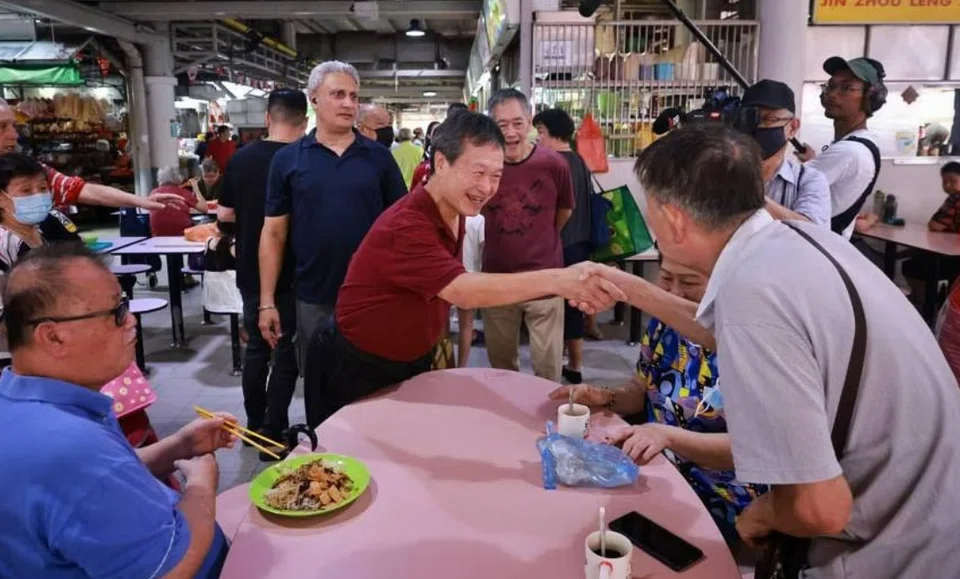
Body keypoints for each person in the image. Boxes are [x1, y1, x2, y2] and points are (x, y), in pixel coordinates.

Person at [585, 124, 960, 579]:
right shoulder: (801, 242)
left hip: (898, 552)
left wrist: (761, 514)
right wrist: (626, 287)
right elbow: (722, 330)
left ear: (674, 218)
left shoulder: (754, 292)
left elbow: (819, 508)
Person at [304, 111, 623, 426]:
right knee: (348, 454)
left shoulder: (455, 210)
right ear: (441, 163)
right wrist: (561, 280)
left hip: (408, 357)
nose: (487, 187)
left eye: (496, 175)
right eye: (478, 172)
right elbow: (462, 291)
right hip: (357, 363)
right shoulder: (407, 225)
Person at [0, 242, 236, 578]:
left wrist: (179, 447)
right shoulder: (71, 445)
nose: (132, 321)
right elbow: (171, 570)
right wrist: (201, 483)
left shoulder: (25, 401)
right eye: (117, 312)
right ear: (53, 337)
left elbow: (102, 482)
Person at [548, 255, 768, 542]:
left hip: (721, 490)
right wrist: (604, 396)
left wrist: (668, 437)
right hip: (657, 467)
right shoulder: (663, 326)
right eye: (665, 278)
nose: (673, 292)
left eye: (689, 282)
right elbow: (641, 391)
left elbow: (754, 449)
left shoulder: (748, 346)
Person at [259, 60, 407, 378]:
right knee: (320, 384)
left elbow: (402, 225)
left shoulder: (379, 158)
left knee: (373, 383)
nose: (349, 104)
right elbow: (273, 233)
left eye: (354, 96)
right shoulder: (288, 160)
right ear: (314, 98)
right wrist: (266, 301)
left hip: (372, 293)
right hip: (313, 295)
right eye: (338, 94)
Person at [218, 88, 306, 451]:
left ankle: (254, 427)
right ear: (305, 121)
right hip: (295, 271)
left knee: (255, 346)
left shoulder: (241, 159)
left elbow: (224, 216)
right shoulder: (305, 158)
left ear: (268, 117)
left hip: (251, 269)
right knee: (286, 351)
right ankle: (274, 428)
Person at [482, 89, 574, 383]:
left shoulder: (553, 163)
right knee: (501, 367)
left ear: (530, 120)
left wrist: (540, 238)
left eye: (517, 123)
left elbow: (564, 211)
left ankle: (546, 412)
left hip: (545, 277)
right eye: (501, 125)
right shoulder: (484, 165)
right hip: (497, 279)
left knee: (547, 368)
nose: (510, 133)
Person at [0, 99, 184, 212]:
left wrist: (142, 201)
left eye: (13, 126)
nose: (14, 135)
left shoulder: (27, 169)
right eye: (2, 127)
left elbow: (81, 190)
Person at [533, 108, 595, 383]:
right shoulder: (579, 160)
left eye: (541, 132)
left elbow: (555, 209)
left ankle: (554, 365)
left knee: (555, 308)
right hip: (581, 240)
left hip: (559, 243)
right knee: (575, 305)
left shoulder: (551, 162)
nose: (538, 138)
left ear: (553, 132)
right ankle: (576, 365)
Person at [799, 57, 887, 238]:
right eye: (831, 86)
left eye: (847, 88)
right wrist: (815, 161)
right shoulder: (863, 145)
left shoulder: (850, 151)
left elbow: (782, 188)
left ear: (870, 98)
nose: (832, 94)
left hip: (813, 245)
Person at [739, 80, 831, 227]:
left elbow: (813, 232)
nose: (759, 126)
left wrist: (751, 197)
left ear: (793, 127)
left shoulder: (808, 180)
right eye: (751, 119)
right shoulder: (722, 172)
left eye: (769, 119)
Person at [901, 161, 960, 305]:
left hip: (954, 258)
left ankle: (929, 305)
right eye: (944, 182)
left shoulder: (956, 198)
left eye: (953, 181)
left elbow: (935, 225)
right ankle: (935, 303)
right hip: (953, 253)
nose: (948, 185)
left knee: (911, 266)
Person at [149, 165, 208, 237]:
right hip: (181, 236)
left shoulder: (153, 193)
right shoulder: (184, 193)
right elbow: (205, 208)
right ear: (179, 177)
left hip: (157, 237)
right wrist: (196, 187)